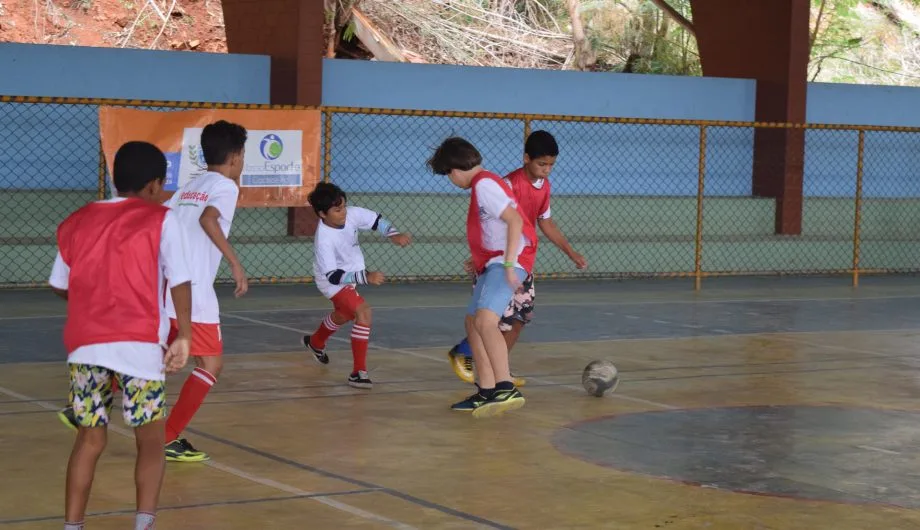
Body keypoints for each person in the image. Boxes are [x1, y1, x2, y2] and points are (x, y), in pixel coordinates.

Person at [50, 141, 193, 530]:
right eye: (162, 186)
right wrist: (185, 335)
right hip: (139, 346)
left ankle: (72, 526)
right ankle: (143, 524)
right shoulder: (162, 219)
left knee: (89, 442)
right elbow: (180, 280)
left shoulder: (76, 220)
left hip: (84, 347)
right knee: (149, 440)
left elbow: (60, 284)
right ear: (152, 186)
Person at [446, 131, 587, 386]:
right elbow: (494, 223)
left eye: (551, 165)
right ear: (526, 159)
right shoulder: (507, 183)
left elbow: (546, 222)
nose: (547, 170)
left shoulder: (544, 187)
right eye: (541, 164)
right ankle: (473, 361)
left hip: (522, 258)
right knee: (491, 319)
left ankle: (499, 374)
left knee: (518, 318)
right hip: (506, 261)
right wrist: (482, 255)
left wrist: (570, 251)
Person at [427, 136, 537, 418]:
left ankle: (505, 386)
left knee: (486, 320)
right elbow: (496, 228)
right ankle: (486, 390)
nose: (451, 181)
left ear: (455, 170)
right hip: (495, 261)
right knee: (472, 320)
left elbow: (514, 220)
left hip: (506, 262)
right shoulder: (484, 185)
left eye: (448, 175)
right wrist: (482, 257)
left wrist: (510, 264)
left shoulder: (484, 185)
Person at [302, 182, 411, 389]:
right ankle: (358, 373)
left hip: (351, 276)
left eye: (343, 206)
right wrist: (365, 277)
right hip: (332, 281)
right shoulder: (324, 240)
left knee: (345, 314)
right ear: (322, 214)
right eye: (337, 209)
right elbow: (333, 277)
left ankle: (316, 342)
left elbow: (376, 220)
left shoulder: (350, 214)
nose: (343, 212)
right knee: (364, 312)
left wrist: (393, 234)